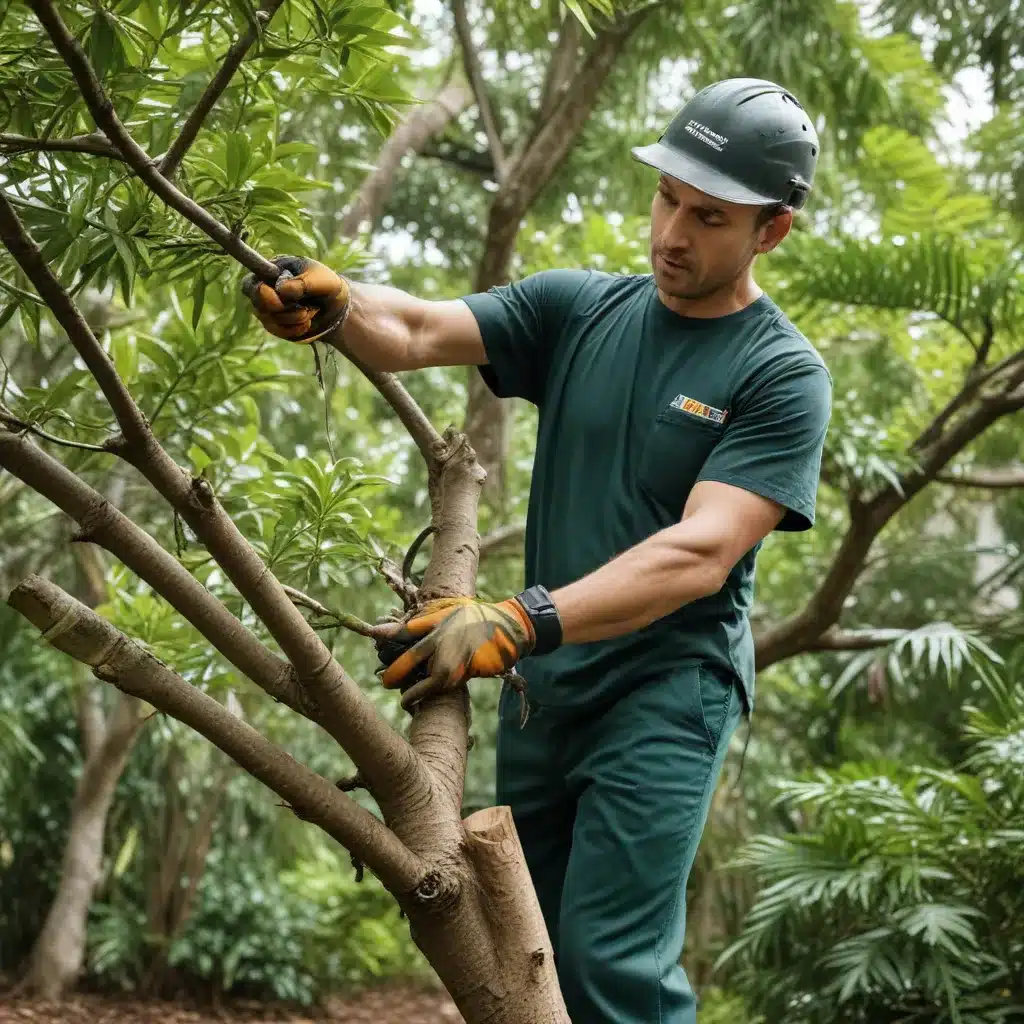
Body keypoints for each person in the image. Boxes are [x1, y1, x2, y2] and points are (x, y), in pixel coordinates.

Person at [244, 77, 832, 1024]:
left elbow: (701, 553)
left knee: (610, 965)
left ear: (771, 232)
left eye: (711, 217)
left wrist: (517, 620)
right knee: (529, 952)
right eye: (668, 198)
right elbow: (418, 329)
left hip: (663, 694)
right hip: (541, 691)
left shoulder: (780, 373)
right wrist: (335, 304)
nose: (673, 232)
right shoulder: (580, 310)